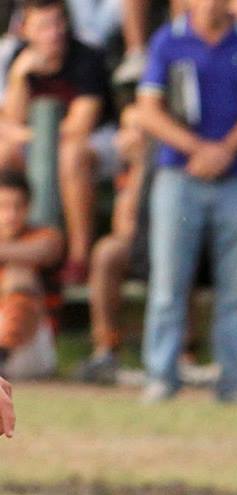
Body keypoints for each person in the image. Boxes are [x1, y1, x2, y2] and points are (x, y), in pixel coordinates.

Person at [131, 0, 237, 404]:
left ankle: (236, 380)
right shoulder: (167, 40)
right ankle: (160, 376)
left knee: (236, 286)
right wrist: (198, 150)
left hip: (235, 177)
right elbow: (149, 110)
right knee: (169, 283)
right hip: (179, 174)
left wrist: (225, 150)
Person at [1, 0, 112, 283]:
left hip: (97, 141)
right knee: (4, 153)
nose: (54, 33)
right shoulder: (17, 57)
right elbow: (11, 121)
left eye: (58, 23)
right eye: (44, 26)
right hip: (40, 141)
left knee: (70, 155)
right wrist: (18, 77)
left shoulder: (86, 57)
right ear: (26, 30)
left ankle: (78, 257)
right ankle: (16, 244)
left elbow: (79, 126)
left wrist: (23, 134)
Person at [76, 99, 144, 382]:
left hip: (175, 249)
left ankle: (183, 354)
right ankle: (106, 348)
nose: (122, 138)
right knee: (106, 251)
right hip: (139, 250)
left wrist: (143, 166)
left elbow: (134, 224)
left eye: (134, 129)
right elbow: (123, 229)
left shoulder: (162, 168)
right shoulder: (125, 172)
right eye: (123, 129)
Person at [0, 170, 63, 375]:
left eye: (18, 206)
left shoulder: (45, 236)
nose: (11, 215)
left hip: (29, 347)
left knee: (19, 275)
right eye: (3, 206)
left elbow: (46, 251)